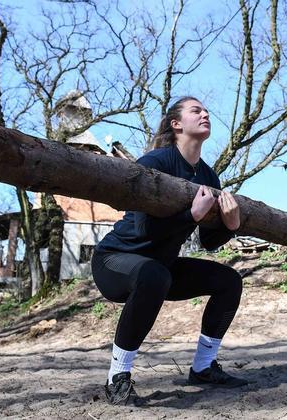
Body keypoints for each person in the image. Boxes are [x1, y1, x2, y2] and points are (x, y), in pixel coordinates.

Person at [92, 96, 248, 405]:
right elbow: (143, 230)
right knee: (154, 273)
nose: (205, 113)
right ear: (176, 124)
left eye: (206, 109)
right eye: (196, 110)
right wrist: (191, 215)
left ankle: (203, 367)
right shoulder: (154, 163)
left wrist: (230, 226)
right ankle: (117, 378)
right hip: (115, 261)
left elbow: (208, 243)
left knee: (228, 280)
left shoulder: (207, 176)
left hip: (161, 267)